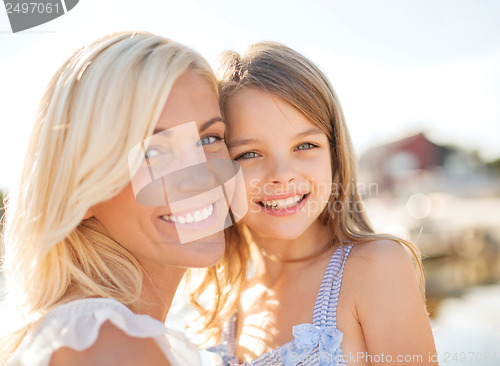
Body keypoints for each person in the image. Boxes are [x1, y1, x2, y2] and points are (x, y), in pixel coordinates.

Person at [0, 31, 238, 366]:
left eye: (208, 138)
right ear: (80, 192)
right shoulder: (109, 345)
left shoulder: (93, 332)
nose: (199, 176)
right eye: (152, 151)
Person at [191, 42, 438, 365]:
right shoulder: (223, 299)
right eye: (249, 154)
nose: (282, 175)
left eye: (305, 145)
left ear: (335, 155)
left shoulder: (375, 267)